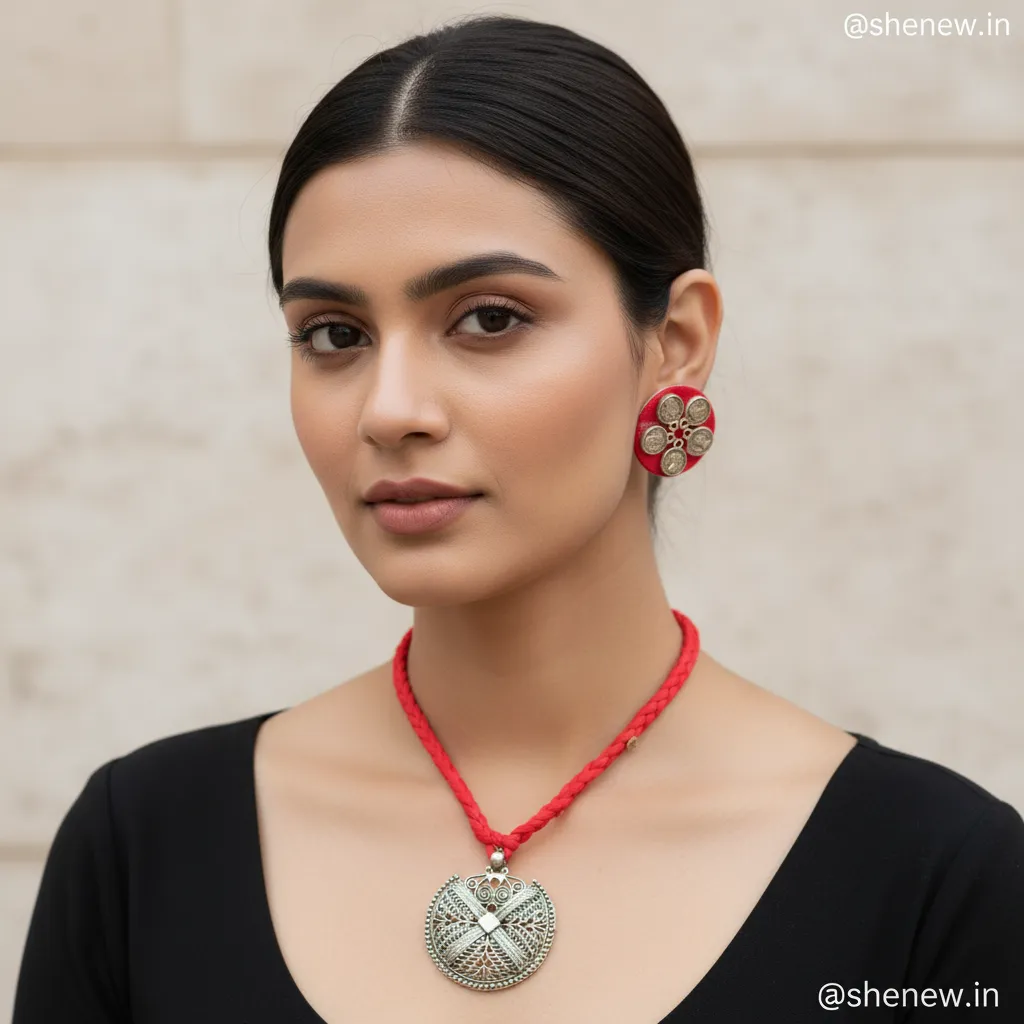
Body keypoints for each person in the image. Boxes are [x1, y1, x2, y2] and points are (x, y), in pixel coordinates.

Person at [12, 14, 1024, 1023]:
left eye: (488, 319)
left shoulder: (934, 880)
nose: (389, 411)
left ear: (675, 342)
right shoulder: (144, 848)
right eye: (333, 335)